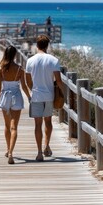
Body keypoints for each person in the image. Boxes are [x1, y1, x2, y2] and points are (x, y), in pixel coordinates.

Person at [25, 34, 63, 162]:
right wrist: (63, 93)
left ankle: (39, 152)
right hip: (49, 95)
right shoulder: (53, 60)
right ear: (48, 46)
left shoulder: (30, 61)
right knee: (48, 122)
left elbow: (28, 81)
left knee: (37, 125)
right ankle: (47, 146)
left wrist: (33, 89)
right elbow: (58, 80)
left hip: (36, 96)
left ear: (37, 45)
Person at [0, 46, 31, 164]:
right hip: (16, 97)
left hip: (5, 97)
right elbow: (24, 86)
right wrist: (29, 97)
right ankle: (10, 152)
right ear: (15, 55)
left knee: (6, 126)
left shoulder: (0, 69)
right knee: (14, 127)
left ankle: (7, 149)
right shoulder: (20, 69)